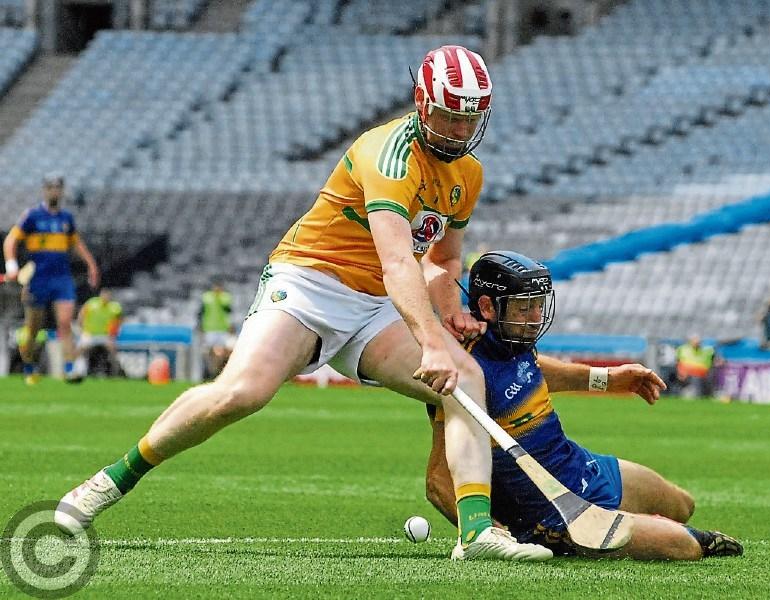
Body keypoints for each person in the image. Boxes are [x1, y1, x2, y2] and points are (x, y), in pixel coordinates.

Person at [55, 46, 552, 562]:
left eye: (468, 118)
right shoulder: (388, 154)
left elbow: (444, 259)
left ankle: (477, 534)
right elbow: (399, 262)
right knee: (240, 394)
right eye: (448, 115)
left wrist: (449, 306)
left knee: (467, 380)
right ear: (421, 104)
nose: (456, 129)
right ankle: (108, 482)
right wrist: (431, 342)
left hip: (377, 306)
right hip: (311, 283)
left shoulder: (467, 174)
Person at [425, 251, 743, 560]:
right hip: (553, 512)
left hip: (579, 465)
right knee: (686, 545)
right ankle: (626, 529)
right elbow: (438, 482)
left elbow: (536, 371)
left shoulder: (513, 341)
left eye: (538, 306)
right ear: (487, 306)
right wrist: (495, 534)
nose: (536, 318)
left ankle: (629, 523)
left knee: (682, 505)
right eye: (525, 309)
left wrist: (607, 379)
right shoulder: (462, 369)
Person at [2, 173, 100, 384]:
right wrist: (11, 265)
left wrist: (91, 264)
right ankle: (28, 365)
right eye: (50, 187)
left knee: (65, 322)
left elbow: (76, 243)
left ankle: (70, 369)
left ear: (62, 191)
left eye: (57, 187)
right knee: (33, 328)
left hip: (61, 278)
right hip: (38, 279)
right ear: (44, 190)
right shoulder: (32, 216)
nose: (54, 191)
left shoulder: (66, 219)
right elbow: (10, 241)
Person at [78, 288, 123, 376]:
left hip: (105, 336)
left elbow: (119, 320)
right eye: (104, 295)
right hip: (90, 334)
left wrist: (114, 333)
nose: (105, 297)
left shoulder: (115, 307)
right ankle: (79, 372)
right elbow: (81, 315)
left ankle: (116, 372)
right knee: (81, 349)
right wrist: (83, 329)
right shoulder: (92, 303)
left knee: (113, 349)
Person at [198, 282, 235, 379]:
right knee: (209, 352)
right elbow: (201, 312)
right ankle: (209, 372)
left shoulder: (225, 297)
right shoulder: (206, 297)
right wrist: (200, 326)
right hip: (209, 328)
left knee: (222, 352)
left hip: (222, 329)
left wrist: (231, 326)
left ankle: (218, 372)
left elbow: (229, 311)